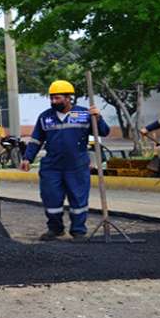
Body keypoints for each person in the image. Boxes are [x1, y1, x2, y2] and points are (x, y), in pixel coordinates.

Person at [20, 80, 109, 242]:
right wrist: (27, 158)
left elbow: (104, 132)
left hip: (77, 166)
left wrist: (98, 118)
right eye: (52, 98)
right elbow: (36, 140)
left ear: (69, 98)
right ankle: (55, 229)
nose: (54, 101)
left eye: (58, 98)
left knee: (78, 200)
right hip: (52, 167)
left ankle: (78, 231)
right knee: (51, 199)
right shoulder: (45, 117)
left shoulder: (84, 114)